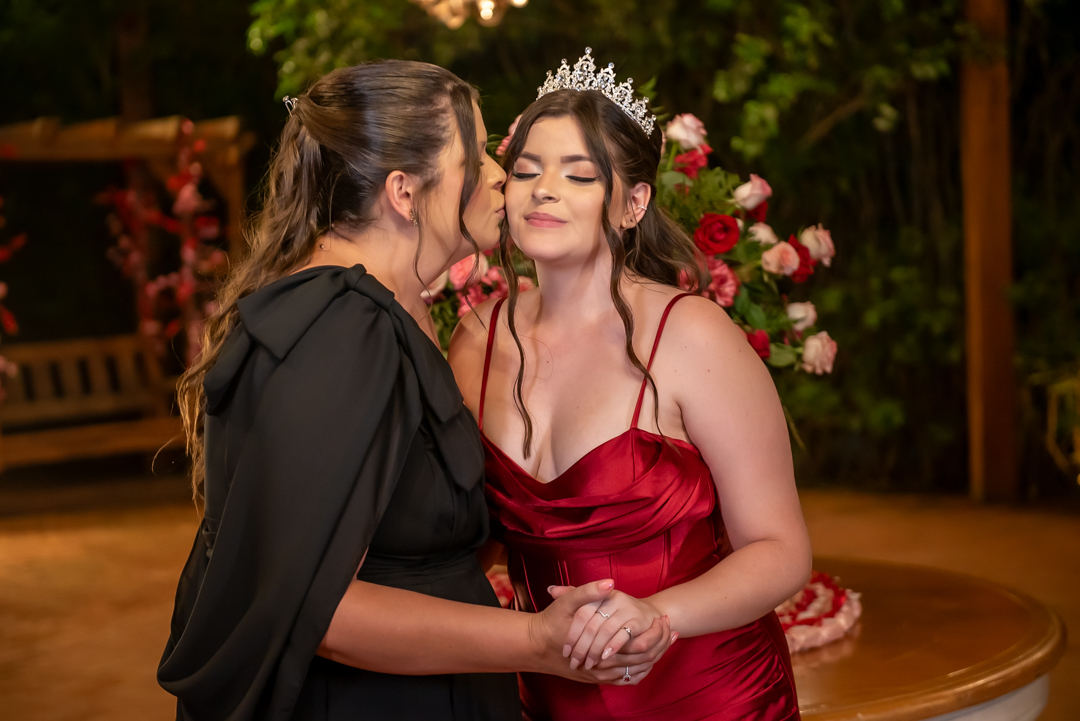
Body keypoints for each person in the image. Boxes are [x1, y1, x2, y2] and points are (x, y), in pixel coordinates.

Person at [158, 60, 674, 721]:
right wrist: (538, 641)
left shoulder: (388, 312)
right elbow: (318, 607)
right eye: (477, 155)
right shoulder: (345, 328)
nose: (501, 174)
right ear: (404, 192)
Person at [449, 50, 811, 720]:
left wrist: (658, 614)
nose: (543, 189)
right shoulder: (476, 340)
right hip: (548, 697)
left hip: (707, 695)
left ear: (633, 202)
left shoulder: (691, 335)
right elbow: (472, 535)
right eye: (526, 170)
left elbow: (781, 550)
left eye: (578, 174)